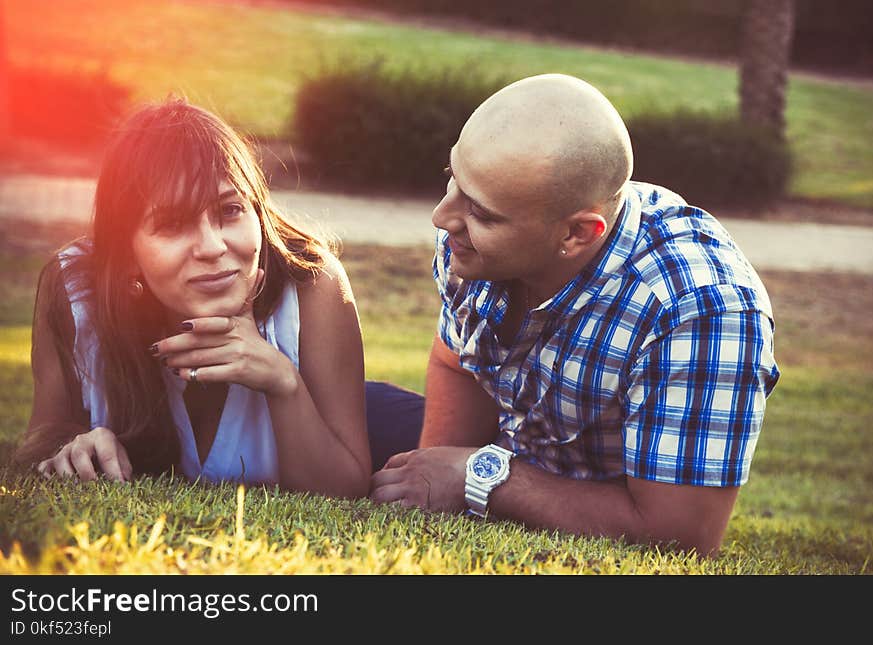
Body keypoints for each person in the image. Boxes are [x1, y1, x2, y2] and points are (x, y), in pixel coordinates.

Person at [369, 73, 780, 556]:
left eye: (482, 213)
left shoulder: (701, 308)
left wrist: (477, 476)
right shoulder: (477, 236)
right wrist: (429, 475)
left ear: (577, 235)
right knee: (320, 407)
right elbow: (456, 359)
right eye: (452, 181)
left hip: (608, 497)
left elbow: (681, 536)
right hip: (507, 446)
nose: (442, 217)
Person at [13, 98, 422, 495]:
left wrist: (283, 383)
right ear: (126, 255)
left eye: (230, 211)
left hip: (378, 415)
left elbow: (342, 490)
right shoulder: (75, 292)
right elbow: (38, 445)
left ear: (257, 211)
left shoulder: (313, 284)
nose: (212, 246)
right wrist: (72, 448)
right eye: (173, 223)